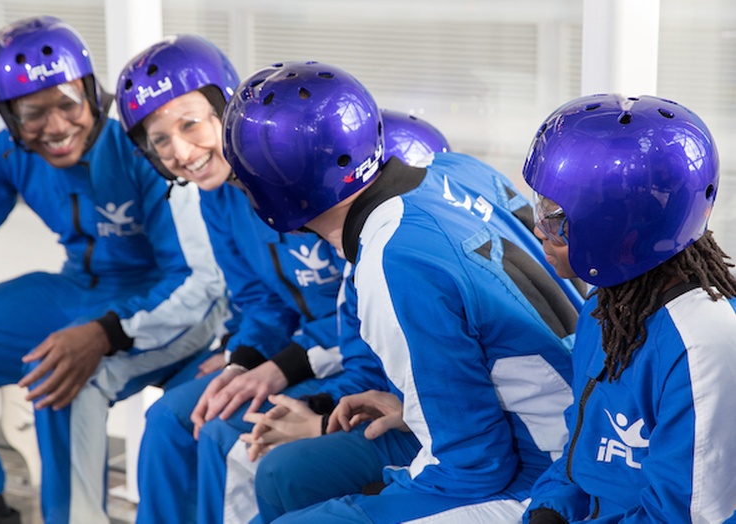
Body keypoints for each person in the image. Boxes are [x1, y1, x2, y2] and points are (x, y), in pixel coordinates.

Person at [0, 17, 226, 524]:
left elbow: (198, 280)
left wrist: (102, 335)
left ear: (89, 90)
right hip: (76, 287)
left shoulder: (149, 138)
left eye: (67, 104)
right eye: (32, 113)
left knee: (61, 377)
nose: (55, 127)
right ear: (9, 117)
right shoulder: (1, 142)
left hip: (171, 299)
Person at [221, 60, 581, 523]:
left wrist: (388, 489)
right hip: (551, 426)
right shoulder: (456, 169)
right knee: (287, 473)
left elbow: (472, 468)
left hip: (541, 474)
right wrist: (415, 409)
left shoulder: (392, 259)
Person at [114, 34, 366, 524]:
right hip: (300, 353)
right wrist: (241, 363)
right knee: (168, 417)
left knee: (225, 434)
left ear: (224, 108)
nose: (181, 151)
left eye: (189, 125)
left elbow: (363, 308)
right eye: (159, 139)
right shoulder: (215, 196)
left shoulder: (298, 177)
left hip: (354, 354)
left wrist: (279, 368)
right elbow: (259, 301)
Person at [521, 94, 736, 523]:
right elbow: (578, 452)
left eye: (554, 217)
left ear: (614, 227)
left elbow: (685, 515)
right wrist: (549, 510)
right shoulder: (607, 304)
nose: (538, 230)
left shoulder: (705, 345)